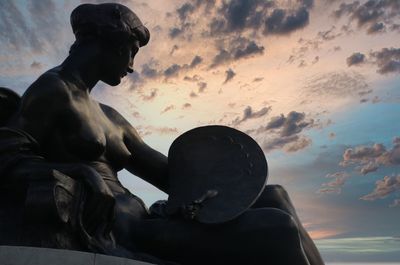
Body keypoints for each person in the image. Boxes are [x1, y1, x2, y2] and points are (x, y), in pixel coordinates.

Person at [0, 3, 324, 265]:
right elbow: (7, 156)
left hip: (146, 216)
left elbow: (172, 177)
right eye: (131, 50)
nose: (131, 65)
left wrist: (224, 175)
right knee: (278, 229)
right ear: (108, 43)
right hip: (122, 230)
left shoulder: (111, 117)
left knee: (276, 195)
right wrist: (81, 171)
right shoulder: (53, 89)